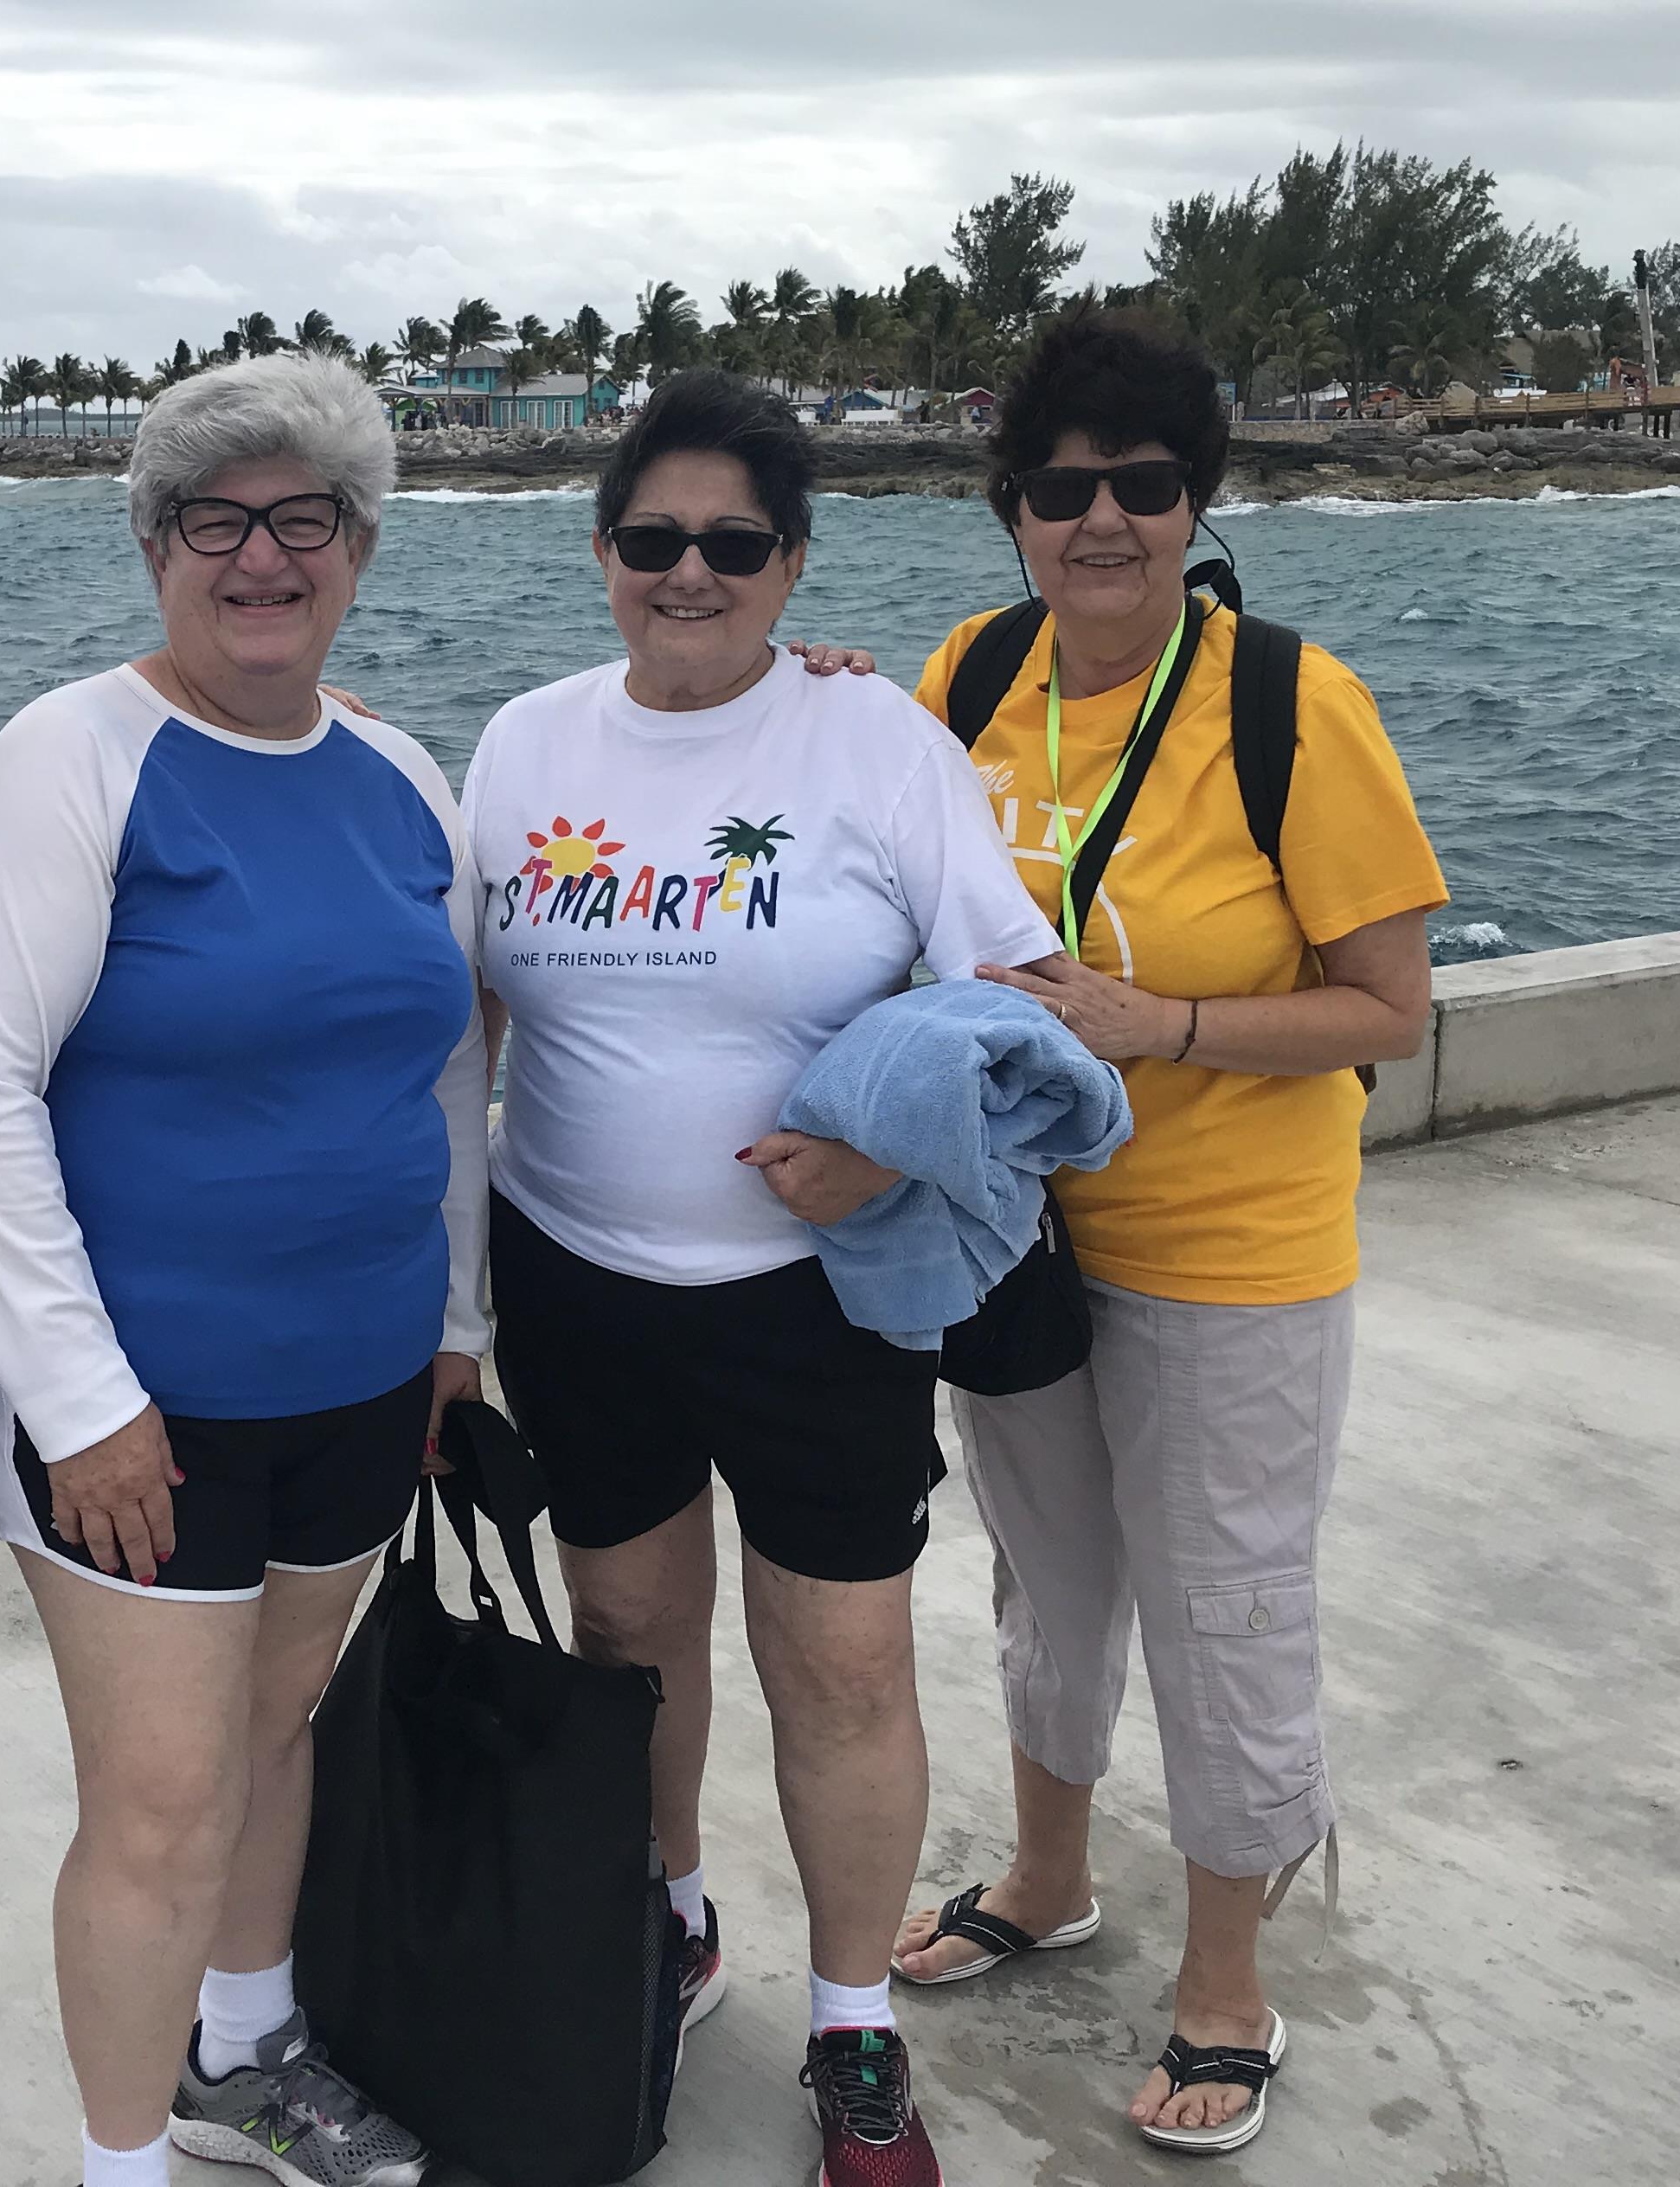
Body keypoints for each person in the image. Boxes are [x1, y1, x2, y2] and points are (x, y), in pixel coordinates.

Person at [457, 369, 1065, 2187]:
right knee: (629, 1635)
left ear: (793, 563)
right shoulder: (524, 744)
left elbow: (1017, 1013)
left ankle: (855, 2023)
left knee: (847, 1665)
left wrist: (883, 1147)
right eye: (654, 539)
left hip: (815, 1300)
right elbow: (465, 1031)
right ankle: (674, 1918)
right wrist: (450, 1315)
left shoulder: (875, 746)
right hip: (576, 1278)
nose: (690, 572)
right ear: (603, 552)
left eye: (734, 542)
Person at [0, 352, 487, 2187]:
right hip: (133, 1410)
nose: (260, 557)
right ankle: (118, 2162)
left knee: (276, 1730)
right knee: (160, 1803)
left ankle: (243, 2053)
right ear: (153, 545)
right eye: (212, 521)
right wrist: (82, 1404)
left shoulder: (403, 774)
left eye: (301, 518)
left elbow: (449, 1067)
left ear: (360, 547)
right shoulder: (71, 757)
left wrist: (458, 1330)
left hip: (363, 1373)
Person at [882, 305, 1444, 2158]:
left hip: (1229, 1244)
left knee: (1226, 1606)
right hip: (1016, 1231)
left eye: (1142, 485)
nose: (1099, 519)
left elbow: (1389, 1009)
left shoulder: (1293, 703)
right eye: (1061, 487)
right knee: (1045, 1575)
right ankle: (1048, 1879)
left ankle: (1226, 1985)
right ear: (1012, 508)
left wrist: (1170, 1027)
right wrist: (803, 688)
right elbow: (862, 855)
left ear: (1195, 502)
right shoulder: (965, 676)